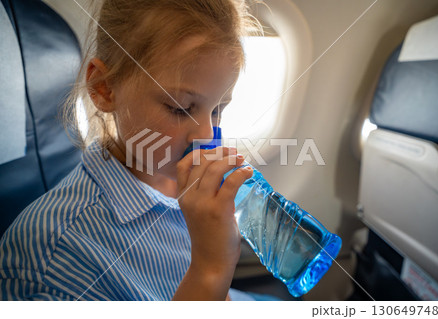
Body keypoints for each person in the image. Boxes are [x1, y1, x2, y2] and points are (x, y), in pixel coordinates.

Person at [0, 0, 271, 300]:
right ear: (105, 88)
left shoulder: (181, 184)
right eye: (181, 108)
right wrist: (211, 269)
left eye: (218, 109)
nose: (207, 135)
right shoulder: (51, 259)